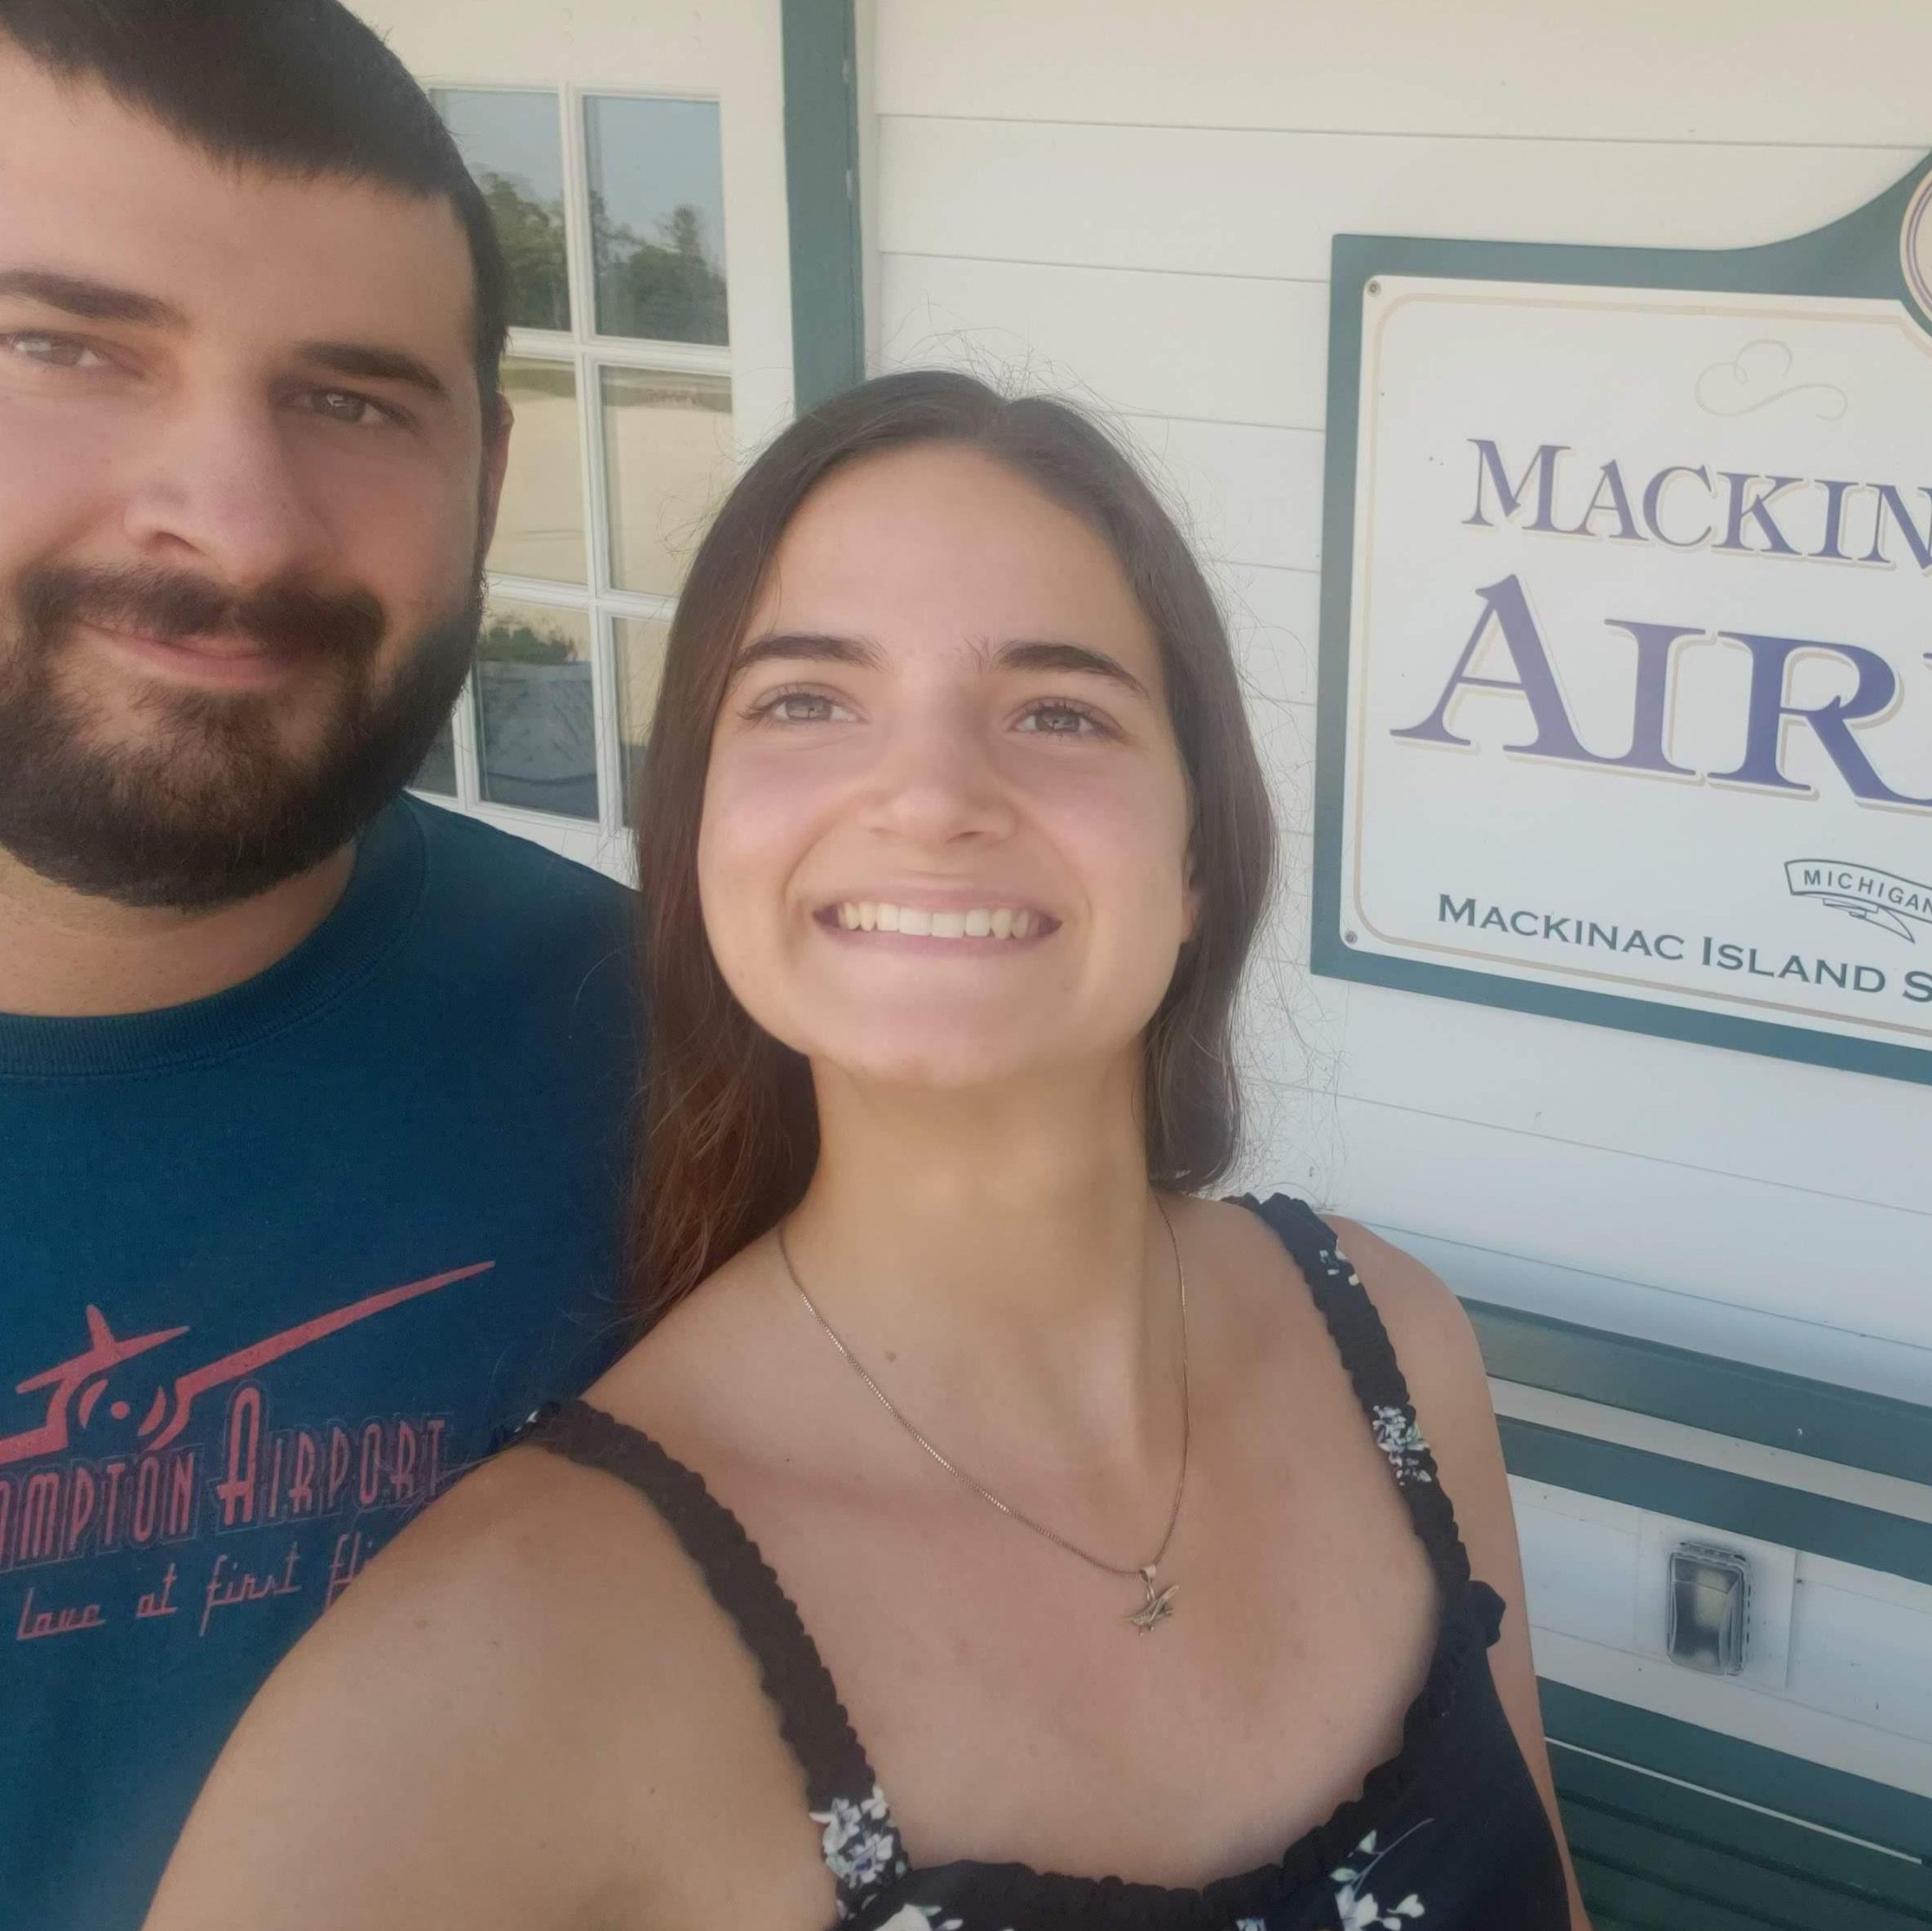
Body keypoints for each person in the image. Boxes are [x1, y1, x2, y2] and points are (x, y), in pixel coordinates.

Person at [148, 370, 1590, 1930]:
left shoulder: (1392, 1344)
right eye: (808, 700)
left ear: (1195, 860)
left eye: (1059, 709)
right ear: (702, 841)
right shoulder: (489, 1673)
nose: (930, 796)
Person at [0, 5, 640, 1927]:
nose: (234, 522)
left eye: (354, 398)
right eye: (65, 349)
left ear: (487, 468)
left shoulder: (676, 1049)